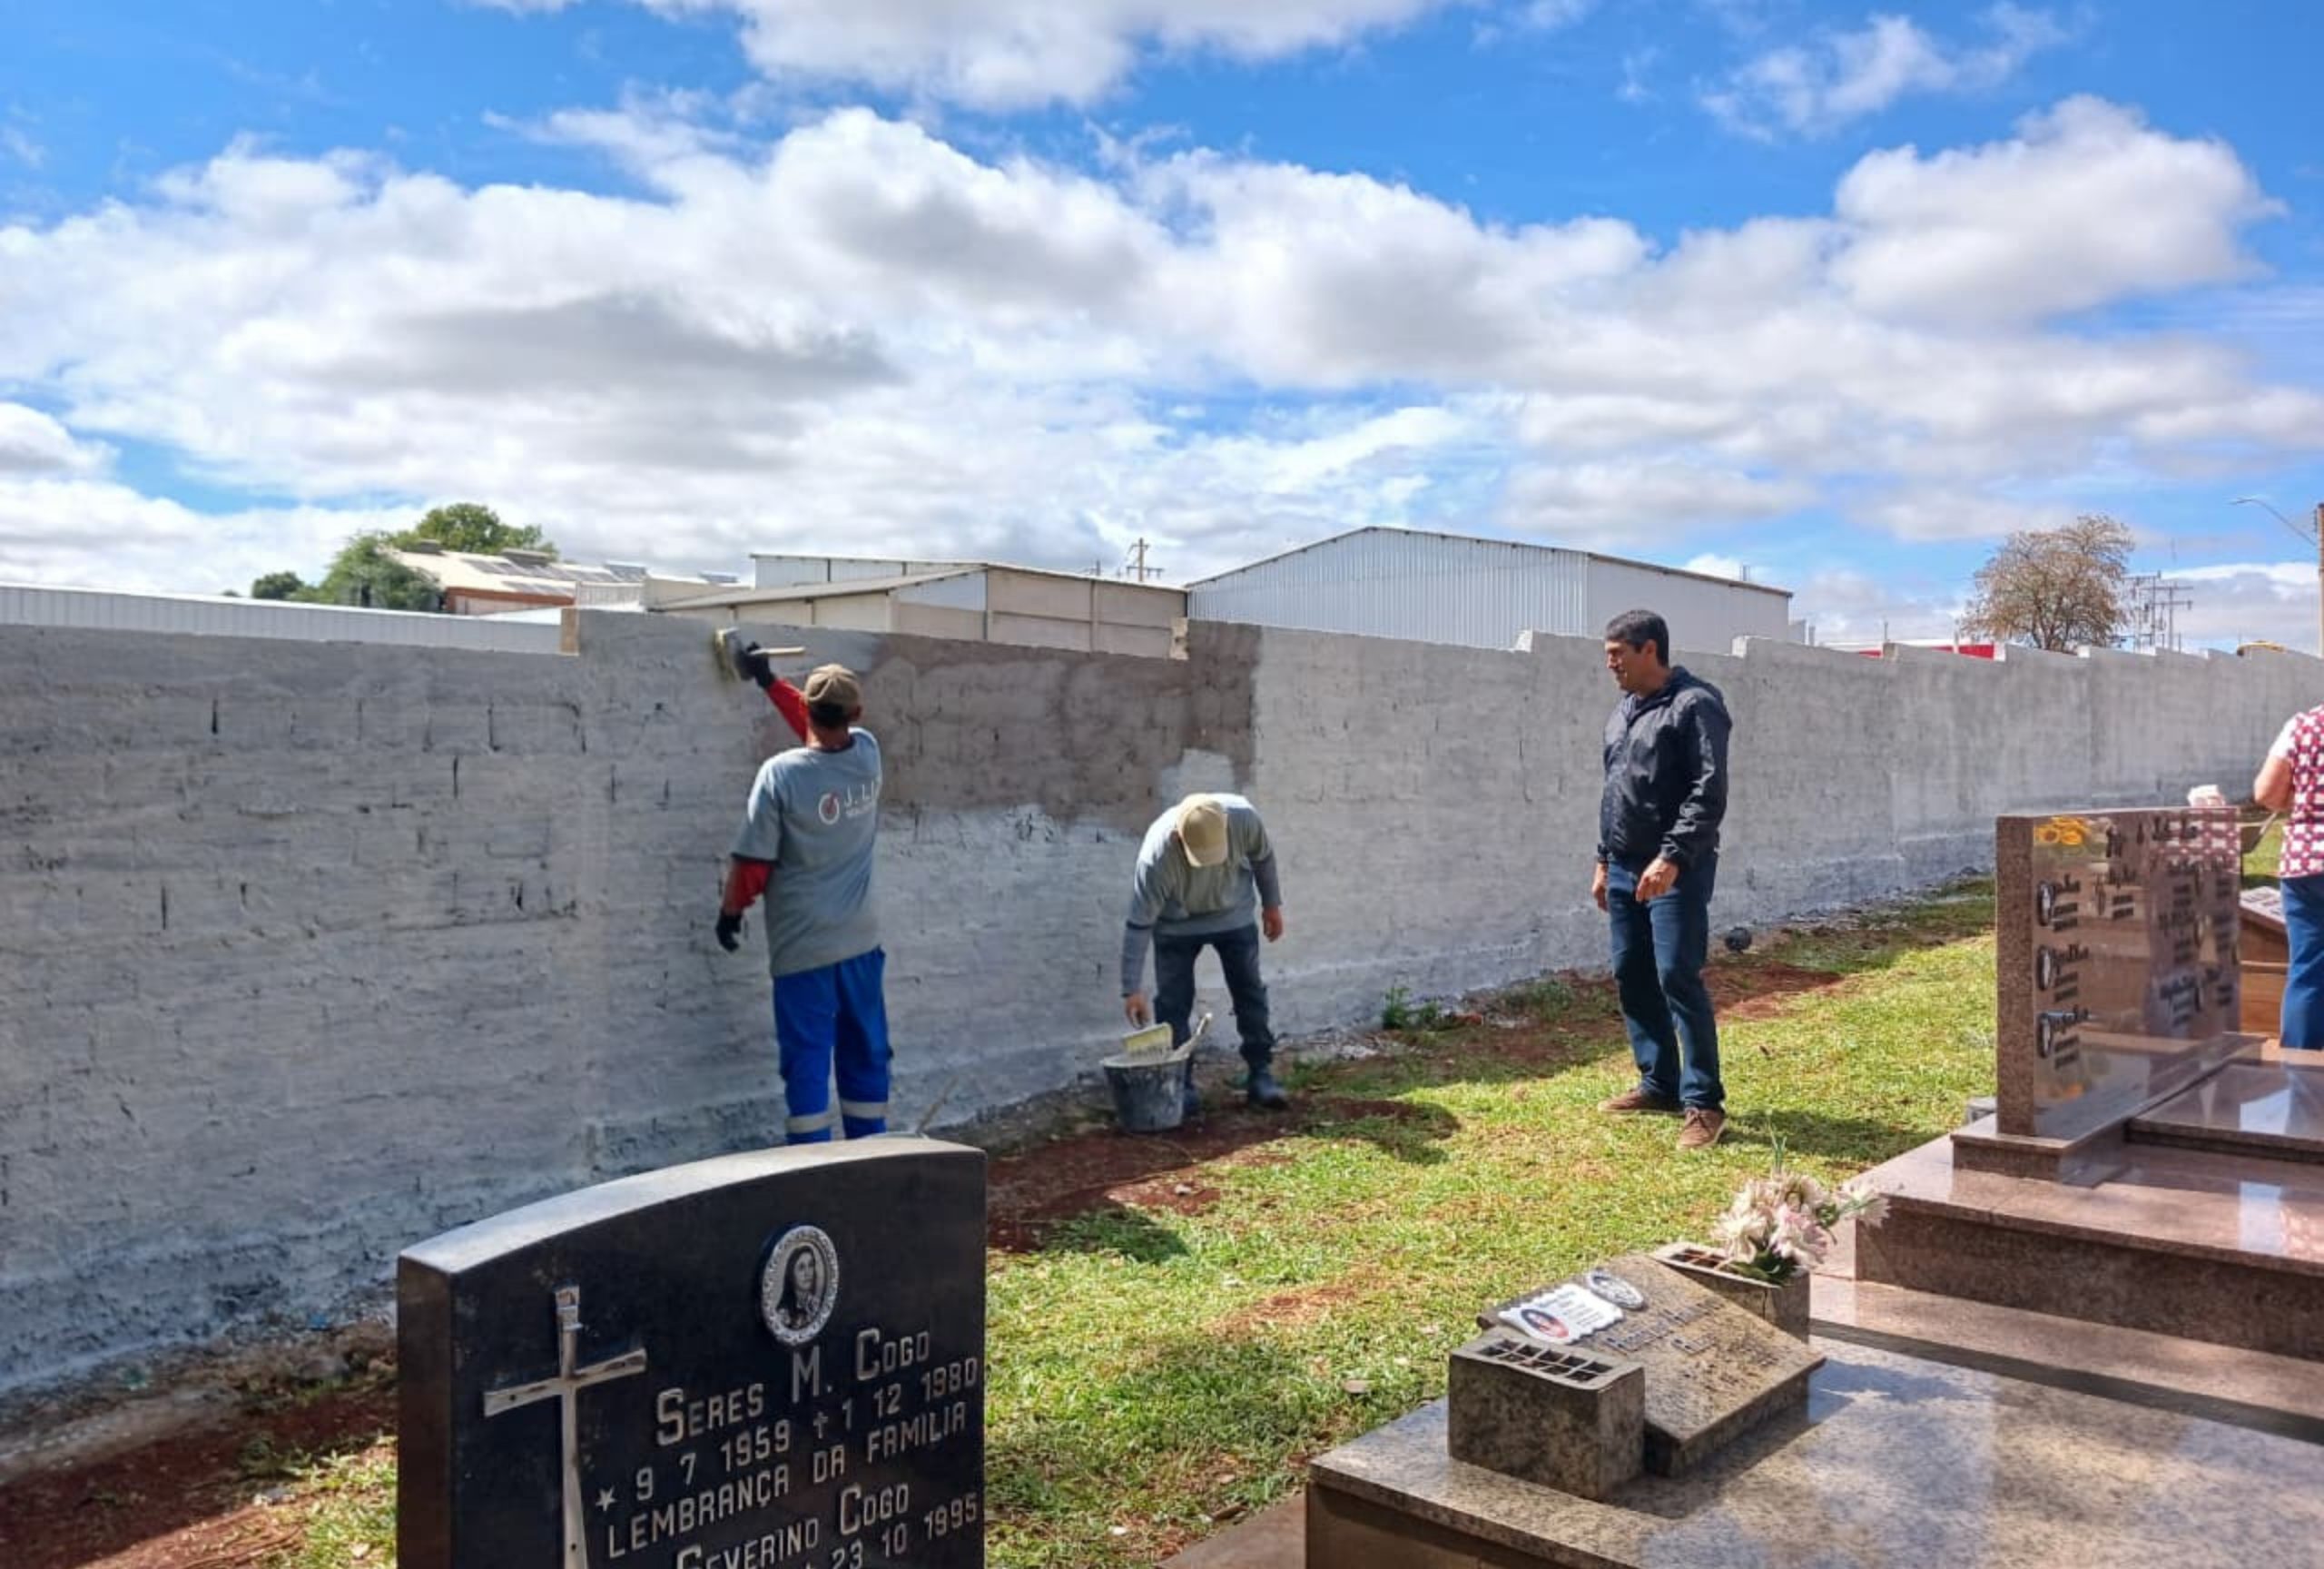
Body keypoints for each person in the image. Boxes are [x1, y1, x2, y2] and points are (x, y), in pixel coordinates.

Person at [715, 650, 891, 1142]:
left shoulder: (781, 776)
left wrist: (730, 913)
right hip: (861, 944)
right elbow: (819, 732)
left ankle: (813, 1169)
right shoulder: (868, 755)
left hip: (803, 951)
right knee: (865, 1053)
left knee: (809, 1062)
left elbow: (754, 864)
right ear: (856, 716)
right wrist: (771, 682)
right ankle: (871, 1153)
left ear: (810, 710)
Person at [1592, 609, 1733, 1150]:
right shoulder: (1624, 712)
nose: (1612, 666)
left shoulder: (1696, 705)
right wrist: (1604, 859)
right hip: (1625, 866)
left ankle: (1703, 1104)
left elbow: (1708, 791)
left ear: (1649, 650)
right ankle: (1659, 1083)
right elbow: (1614, 791)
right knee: (1633, 974)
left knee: (1678, 974)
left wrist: (1672, 856)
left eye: (1618, 656)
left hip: (1676, 869)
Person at [1121, 793, 1290, 1112]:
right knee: (1173, 1005)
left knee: (1249, 992)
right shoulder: (1155, 858)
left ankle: (1261, 1074)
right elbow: (1139, 924)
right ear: (1177, 839)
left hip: (1234, 916)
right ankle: (1181, 1087)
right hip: (1175, 926)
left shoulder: (1243, 819)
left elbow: (1263, 858)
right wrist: (1131, 990)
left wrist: (1272, 905)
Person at [2253, 704, 2324, 1049]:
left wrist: (2301, 798)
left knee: (2306, 969)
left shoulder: (2302, 724)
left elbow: (2266, 793)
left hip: (2305, 864)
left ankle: (2300, 1069)